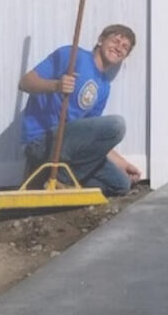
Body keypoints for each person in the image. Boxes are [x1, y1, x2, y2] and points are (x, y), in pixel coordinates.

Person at [19, 24, 141, 196]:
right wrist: (56, 85)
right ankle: (60, 177)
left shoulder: (104, 87)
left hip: (70, 151)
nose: (119, 47)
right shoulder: (72, 56)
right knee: (117, 125)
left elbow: (92, 137)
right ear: (100, 40)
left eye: (125, 47)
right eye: (116, 40)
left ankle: (51, 180)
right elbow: (25, 83)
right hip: (41, 142)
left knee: (121, 184)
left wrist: (123, 164)